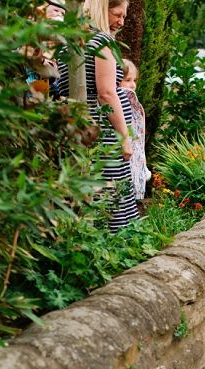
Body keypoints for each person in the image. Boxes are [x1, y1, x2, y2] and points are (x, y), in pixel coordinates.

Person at [57, 0, 139, 232]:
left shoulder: (68, 41)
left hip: (78, 126)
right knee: (110, 192)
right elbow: (106, 93)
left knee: (88, 191)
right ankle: (115, 246)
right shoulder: (101, 41)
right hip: (102, 129)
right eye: (117, 14)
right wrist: (124, 137)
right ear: (102, 9)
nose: (121, 21)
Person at [120, 59, 151, 201]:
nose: (132, 85)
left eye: (134, 80)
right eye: (127, 80)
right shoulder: (123, 99)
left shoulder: (132, 101)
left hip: (136, 161)